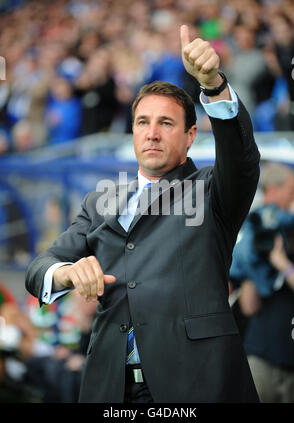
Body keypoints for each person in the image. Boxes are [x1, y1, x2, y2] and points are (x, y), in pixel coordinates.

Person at [25, 25, 260, 403]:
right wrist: (66, 272)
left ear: (190, 135)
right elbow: (40, 268)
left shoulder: (213, 191)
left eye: (166, 123)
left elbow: (242, 157)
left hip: (198, 383)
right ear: (132, 133)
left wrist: (214, 86)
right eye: (142, 123)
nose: (152, 133)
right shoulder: (98, 201)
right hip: (109, 386)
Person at [230, 163, 294, 403]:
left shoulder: (293, 234)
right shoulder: (254, 232)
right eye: (292, 190)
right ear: (273, 191)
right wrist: (254, 265)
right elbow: (249, 307)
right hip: (261, 355)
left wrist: (281, 261)